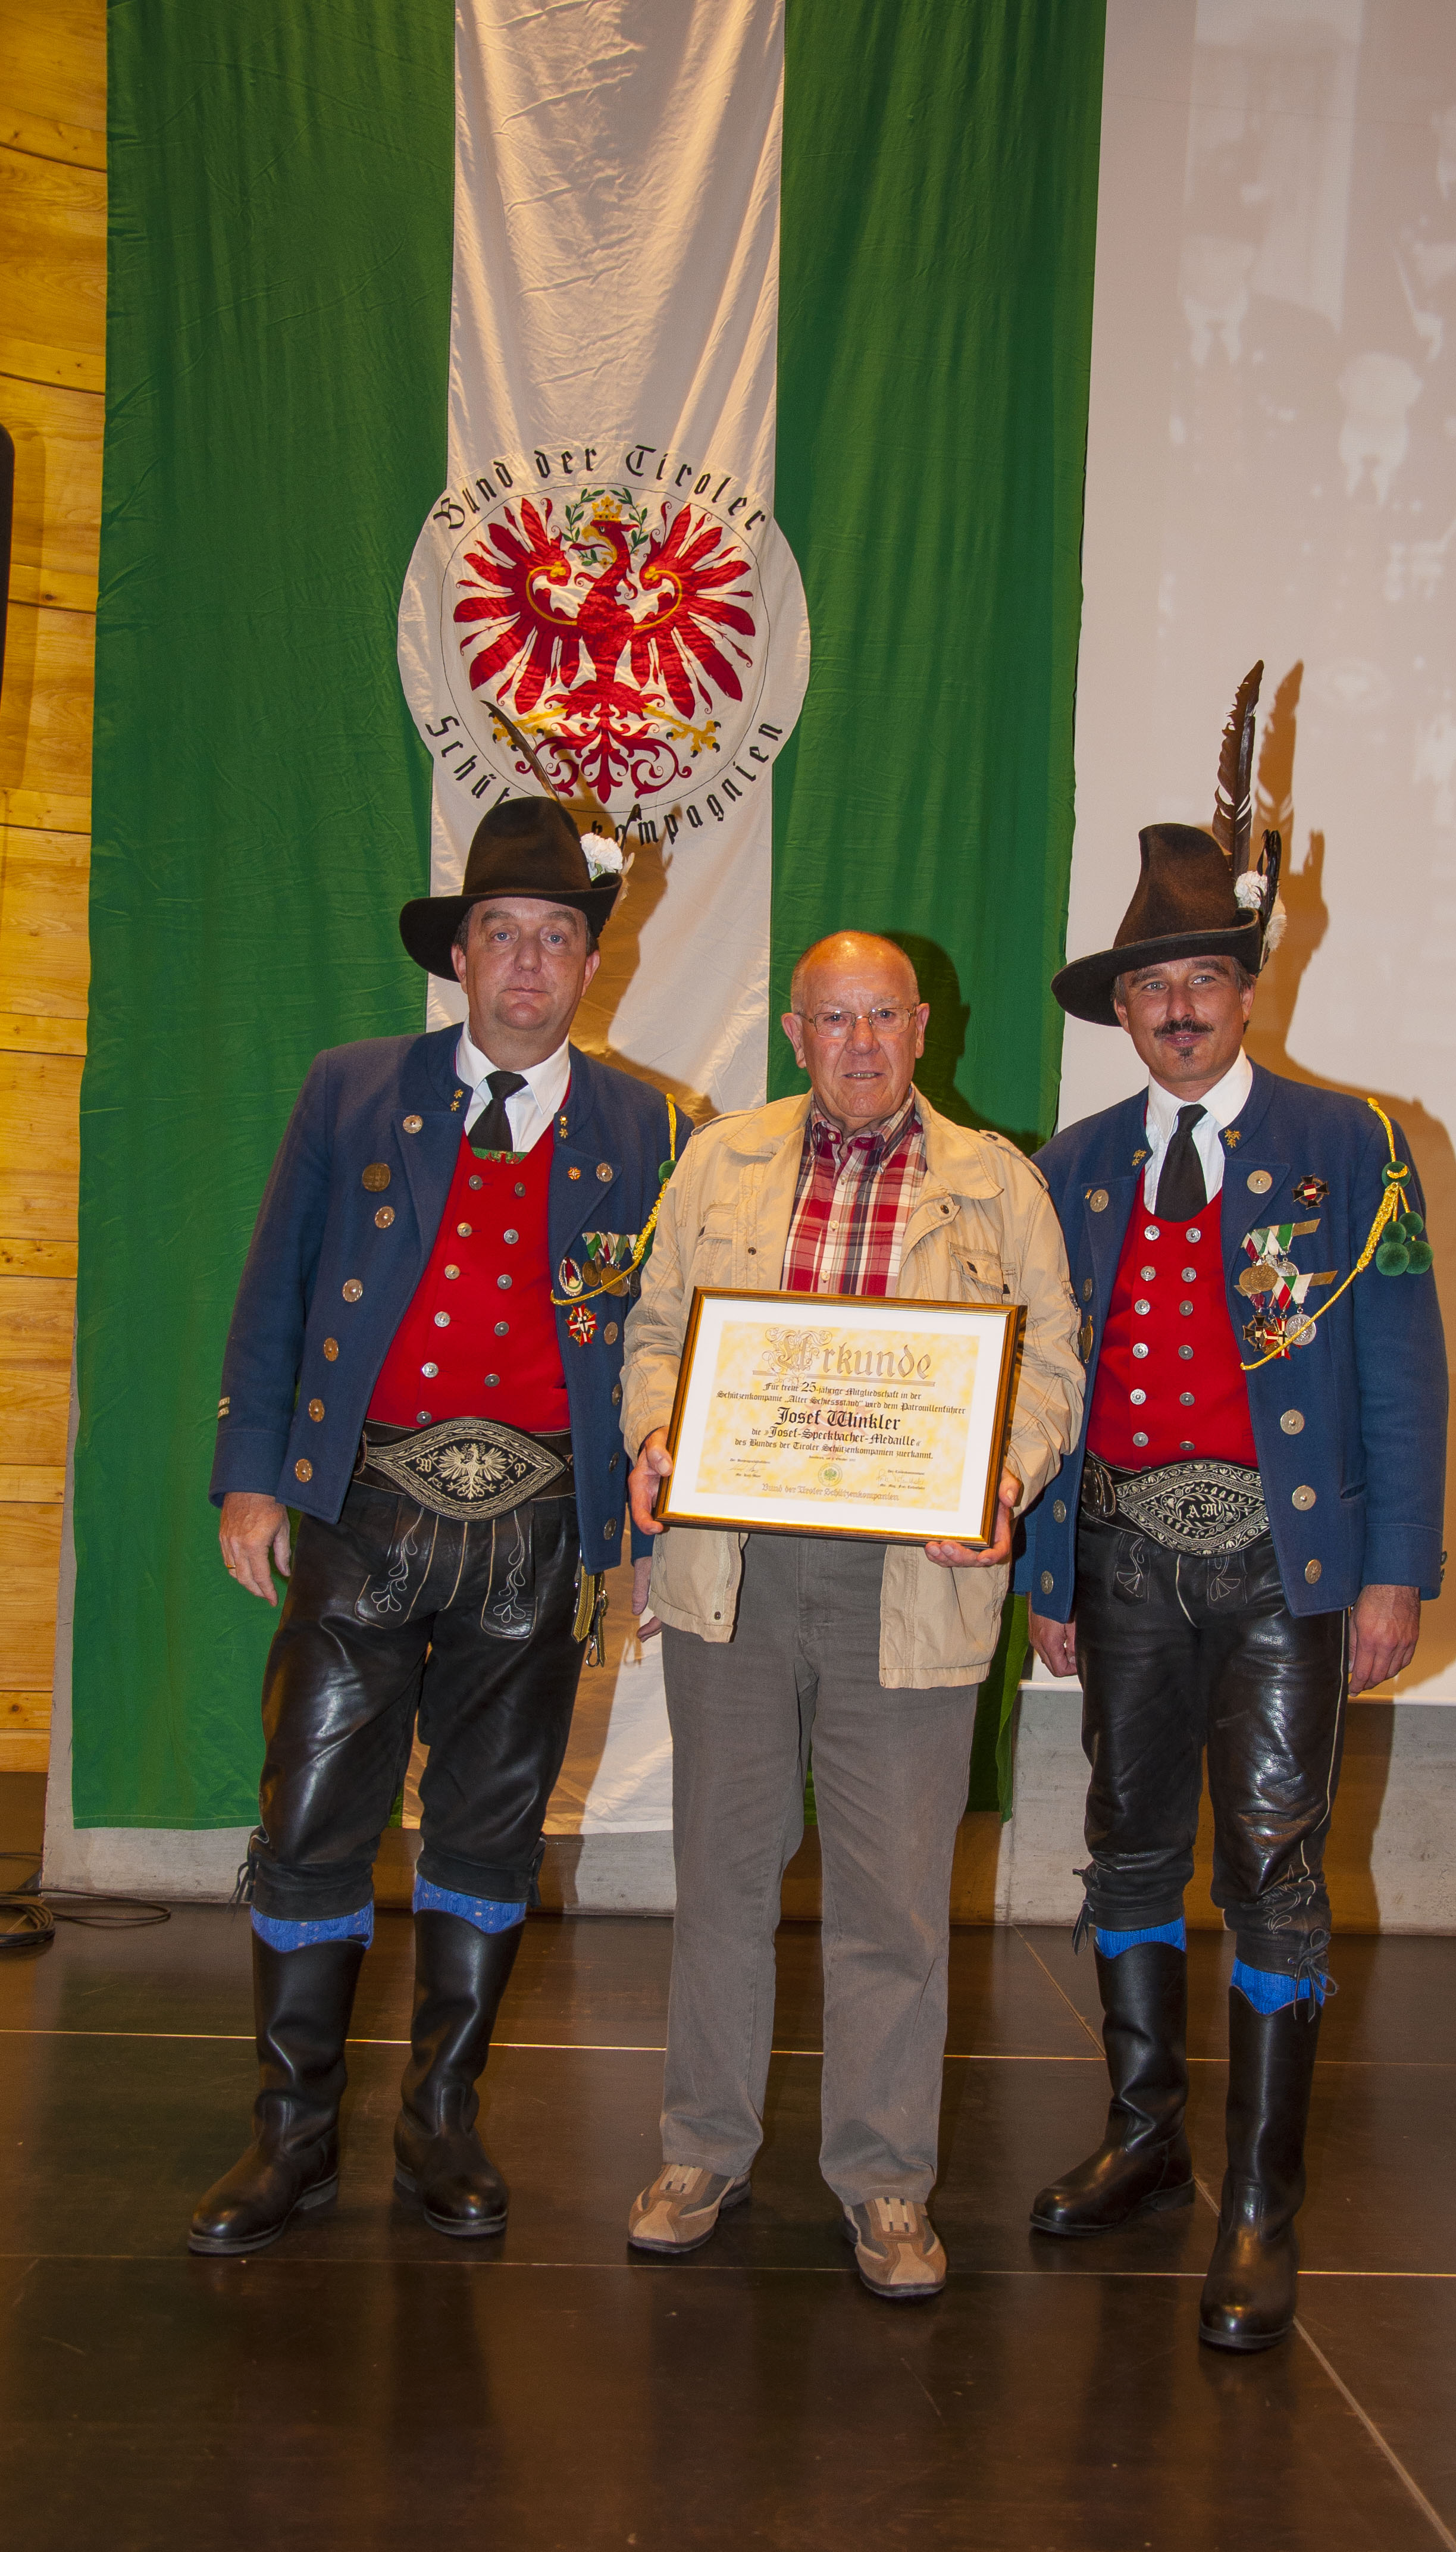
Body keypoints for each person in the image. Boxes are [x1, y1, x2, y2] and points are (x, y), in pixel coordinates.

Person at [192, 797, 686, 2257]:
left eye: (555, 937)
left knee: (490, 1820)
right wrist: (251, 1469)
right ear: (457, 955)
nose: (527, 962)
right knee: (311, 1814)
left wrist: (644, 1532)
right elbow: (277, 1284)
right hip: (363, 1508)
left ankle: (440, 2120)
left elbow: (666, 1340)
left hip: (539, 1531)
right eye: (500, 934)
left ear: (588, 961)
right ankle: (291, 2132)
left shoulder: (647, 1126)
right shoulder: (352, 1088)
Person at [1018, 822, 1446, 2350]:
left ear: (1247, 992)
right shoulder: (1070, 1168)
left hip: (1283, 1566)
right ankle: (1144, 2137)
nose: (1180, 1008)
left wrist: (1391, 1571)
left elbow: (1399, 1373)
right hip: (1120, 1557)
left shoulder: (1353, 1146)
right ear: (1122, 1012)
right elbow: (1046, 1385)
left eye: (1204, 977)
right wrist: (1050, 1566)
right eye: (1153, 987)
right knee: (1127, 1847)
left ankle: (1260, 2199)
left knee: (1269, 1865)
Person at [620, 933, 1084, 2299]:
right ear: (794, 1030)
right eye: (834, 1018)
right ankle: (699, 2152)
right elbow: (654, 1331)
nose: (861, 1041)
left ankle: (885, 2180)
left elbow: (1051, 1362)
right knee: (722, 1879)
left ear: (922, 1025)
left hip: (913, 1582)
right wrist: (654, 1433)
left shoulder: (997, 1182)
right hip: (737, 1569)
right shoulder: (718, 1161)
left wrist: (1004, 1475)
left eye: (882, 1014)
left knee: (892, 1899)